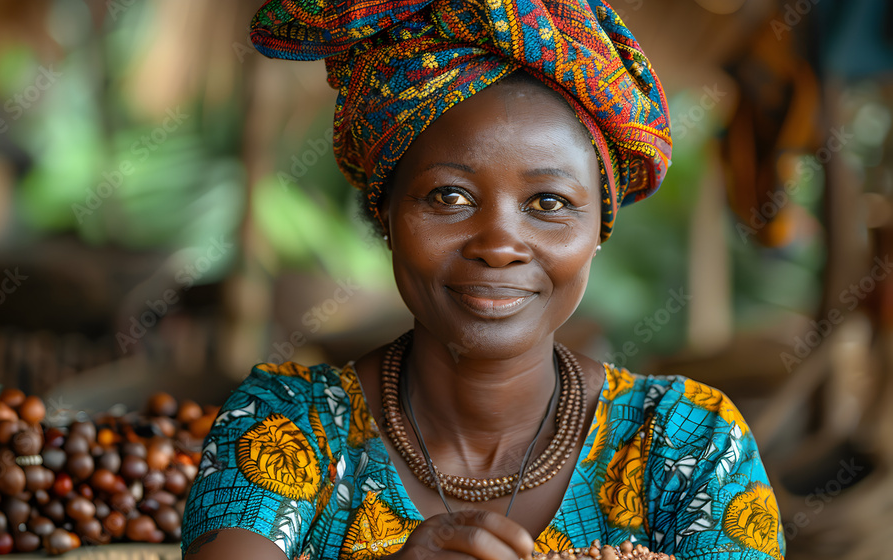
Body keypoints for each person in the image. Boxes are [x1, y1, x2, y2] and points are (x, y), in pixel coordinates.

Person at [181, 1, 786, 559]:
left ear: (598, 230)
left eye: (548, 203)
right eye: (449, 196)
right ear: (385, 215)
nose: (499, 246)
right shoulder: (288, 425)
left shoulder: (688, 442)